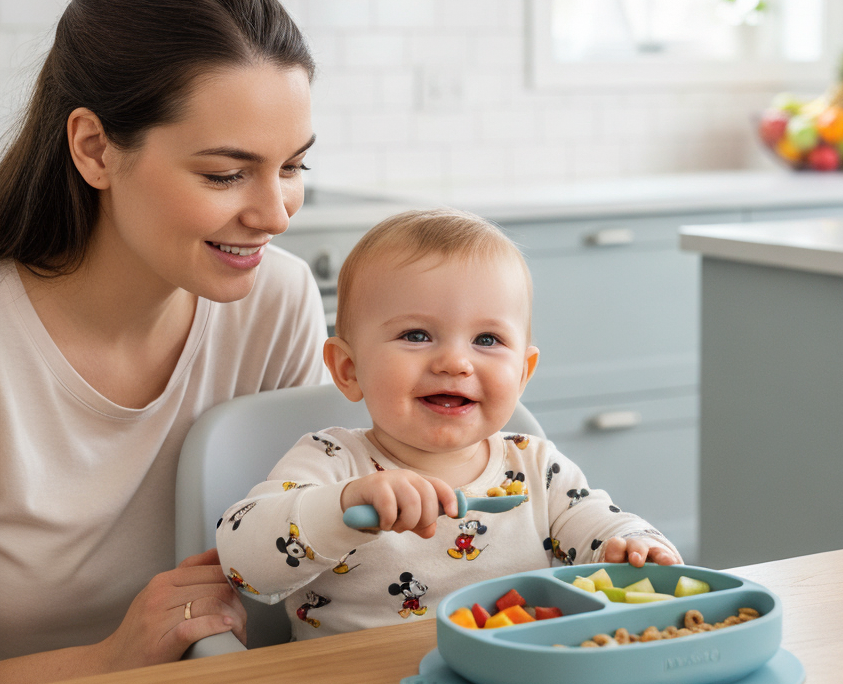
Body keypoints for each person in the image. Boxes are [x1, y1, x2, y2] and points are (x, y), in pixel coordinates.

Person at [0, 0, 329, 684]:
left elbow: (303, 577)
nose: (274, 212)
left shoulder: (276, 304)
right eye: (225, 173)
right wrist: (108, 660)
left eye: (294, 166)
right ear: (94, 149)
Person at [215, 209, 680, 638]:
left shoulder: (536, 466)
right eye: (416, 335)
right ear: (348, 369)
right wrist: (341, 507)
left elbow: (595, 522)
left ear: (522, 374)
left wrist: (633, 544)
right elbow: (243, 565)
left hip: (510, 682)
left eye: (487, 339)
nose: (456, 361)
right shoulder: (331, 463)